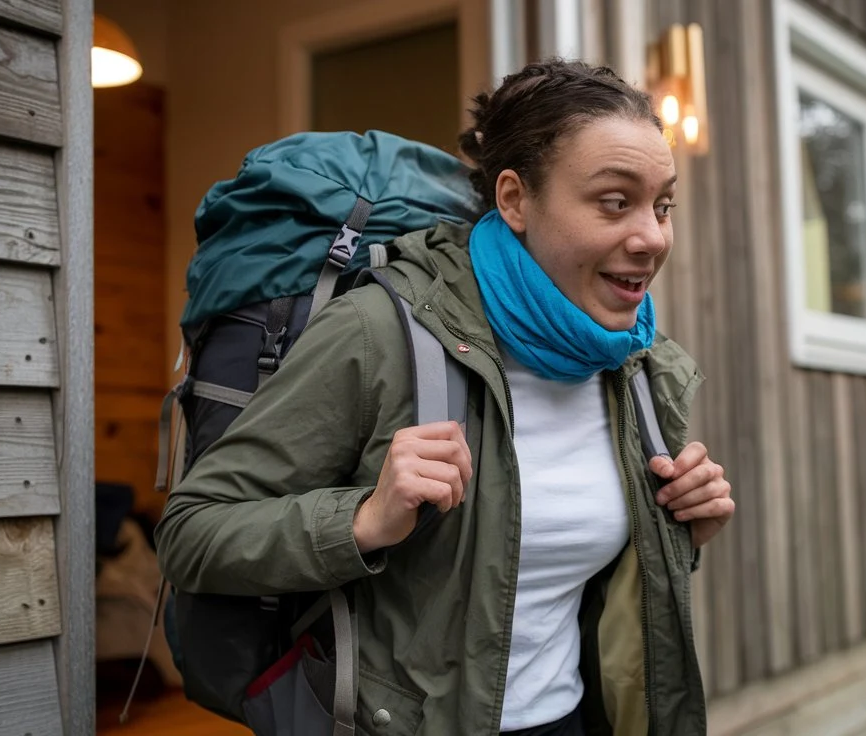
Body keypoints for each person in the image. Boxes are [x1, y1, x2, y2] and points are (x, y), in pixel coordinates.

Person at [155, 59, 734, 736]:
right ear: (515, 200)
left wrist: (678, 531)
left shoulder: (635, 366)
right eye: (615, 201)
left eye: (663, 205)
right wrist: (363, 522)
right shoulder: (383, 334)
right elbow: (192, 533)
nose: (652, 237)